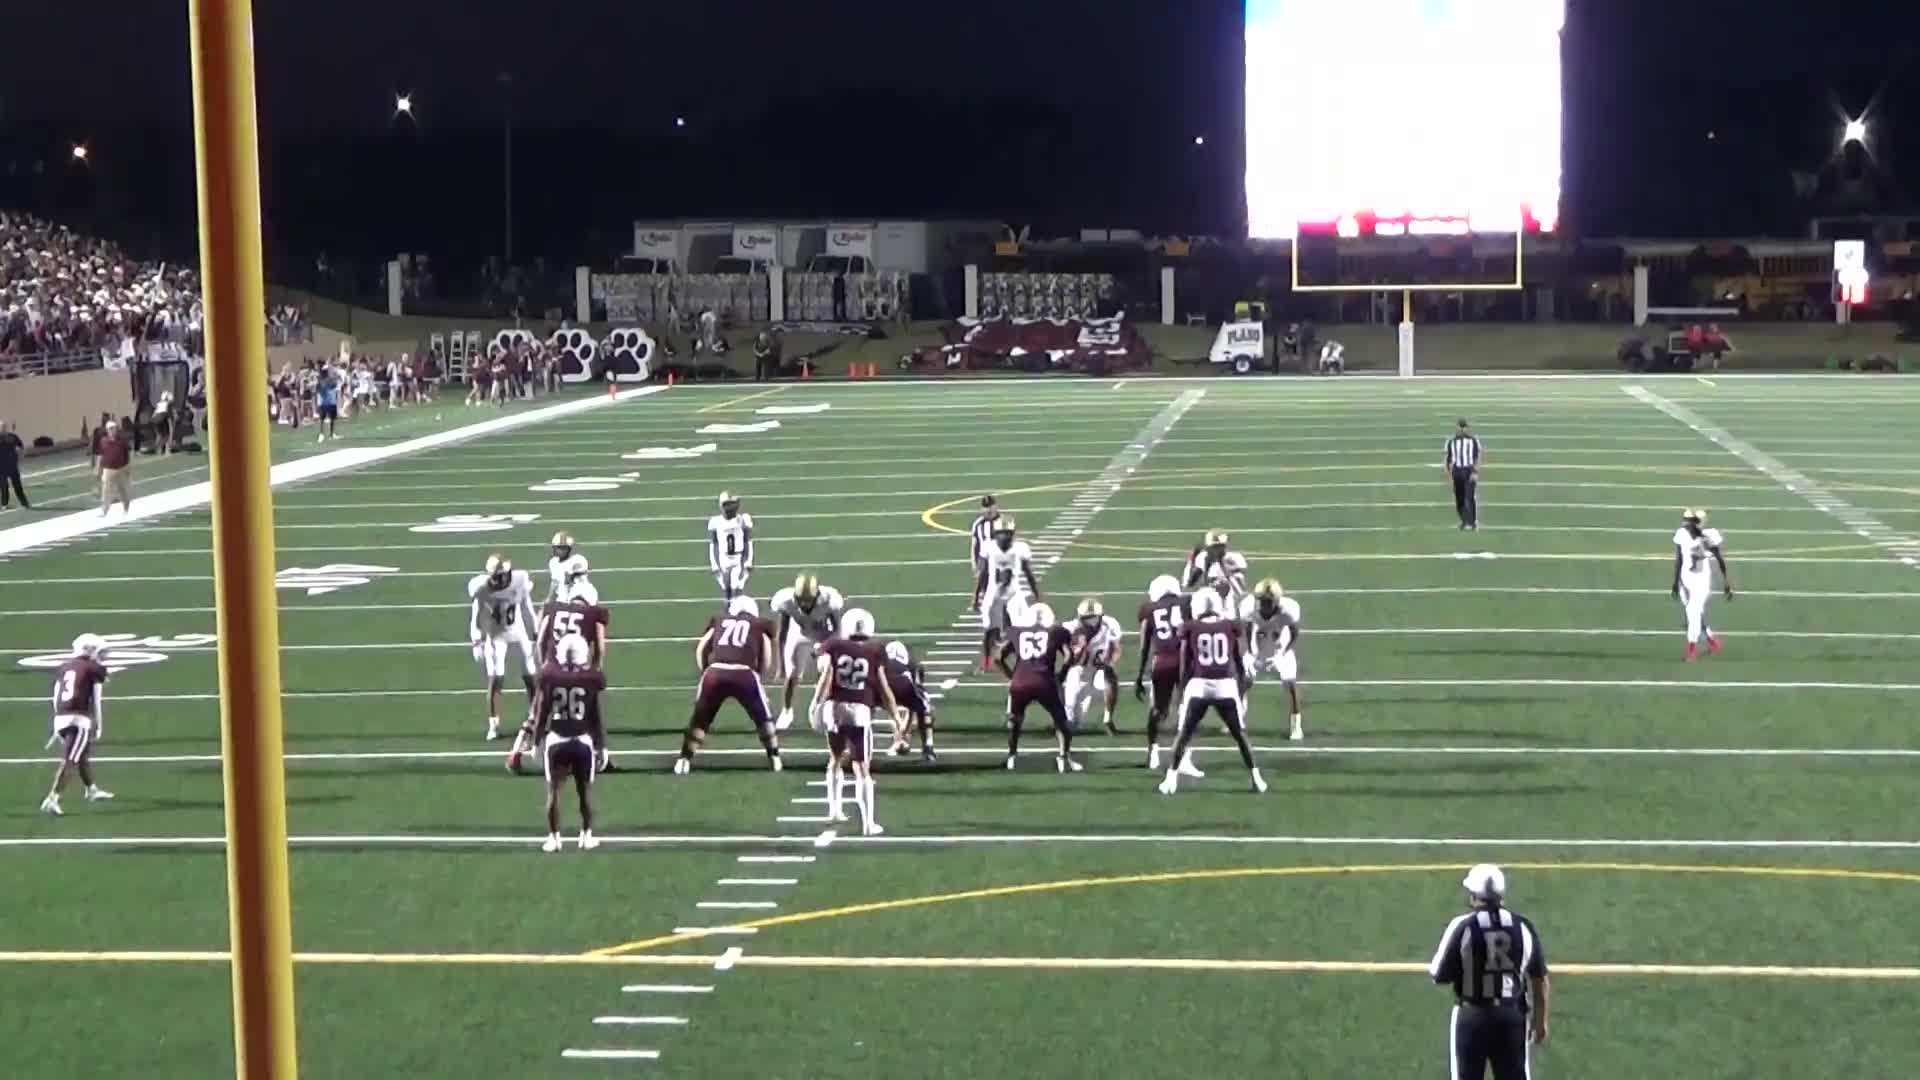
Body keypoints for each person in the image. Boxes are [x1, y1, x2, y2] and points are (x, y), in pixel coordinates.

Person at [1429, 864, 1551, 1079]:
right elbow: (1539, 978)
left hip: (1472, 1015)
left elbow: (1439, 975)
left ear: (1474, 895)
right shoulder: (1522, 926)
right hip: (1511, 1016)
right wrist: (1540, 1020)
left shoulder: (1463, 926)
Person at [1157, 588, 1263, 795]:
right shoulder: (1229, 626)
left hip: (1199, 684)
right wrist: (1241, 682)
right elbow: (1237, 658)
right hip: (1225, 685)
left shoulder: (1190, 627)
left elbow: (1185, 662)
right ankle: (1256, 779)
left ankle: (1170, 780)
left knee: (1184, 733)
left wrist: (1181, 689)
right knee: (1240, 735)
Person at [811, 608, 903, 836]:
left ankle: (834, 810)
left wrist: (816, 704)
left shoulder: (834, 645)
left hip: (833, 707)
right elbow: (883, 687)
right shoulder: (875, 650)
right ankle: (868, 824)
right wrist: (895, 715)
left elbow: (826, 674)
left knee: (835, 758)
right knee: (861, 767)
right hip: (859, 710)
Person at [677, 596, 782, 774]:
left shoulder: (720, 620)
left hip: (715, 672)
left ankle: (684, 760)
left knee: (700, 718)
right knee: (763, 718)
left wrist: (706, 670)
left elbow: (701, 648)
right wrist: (758, 676)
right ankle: (774, 757)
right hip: (744, 673)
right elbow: (766, 657)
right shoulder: (759, 624)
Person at [531, 634, 606, 853]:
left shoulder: (549, 677)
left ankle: (554, 838)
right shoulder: (591, 679)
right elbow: (595, 715)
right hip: (582, 741)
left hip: (557, 741)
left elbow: (542, 712)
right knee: (585, 792)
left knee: (554, 792)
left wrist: (536, 741)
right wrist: (602, 745)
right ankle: (586, 836)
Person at [995, 602, 1081, 774]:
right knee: (1061, 721)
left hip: (1020, 682)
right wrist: (1062, 675)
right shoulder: (1057, 631)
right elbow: (1068, 656)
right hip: (1044, 681)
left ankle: (1012, 756)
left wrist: (1011, 676)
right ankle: (1063, 757)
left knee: (1015, 720)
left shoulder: (1017, 631)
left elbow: (998, 657)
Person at [41, 634, 114, 815]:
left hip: (62, 717)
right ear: (90, 650)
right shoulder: (94, 668)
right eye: (99, 651)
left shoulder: (65, 666)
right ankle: (52, 798)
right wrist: (98, 723)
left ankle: (91, 789)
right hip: (78, 719)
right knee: (70, 760)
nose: (101, 655)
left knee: (81, 755)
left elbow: (56, 694)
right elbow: (96, 699)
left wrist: (56, 722)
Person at [1672, 509, 1733, 662]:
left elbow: (1720, 559)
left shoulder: (1708, 538)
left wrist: (1727, 583)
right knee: (1695, 615)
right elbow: (1679, 559)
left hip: (1701, 584)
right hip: (1685, 582)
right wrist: (1675, 582)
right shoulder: (1682, 534)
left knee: (1692, 615)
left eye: (1691, 521)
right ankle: (1713, 641)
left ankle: (1692, 651)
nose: (1688, 524)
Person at [1445, 418, 1483, 530]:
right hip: (1457, 471)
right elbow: (1449, 459)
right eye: (1460, 427)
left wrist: (1475, 472)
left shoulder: (1473, 441)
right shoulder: (1451, 442)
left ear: (1467, 428)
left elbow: (1477, 457)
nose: (1462, 429)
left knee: (1469, 496)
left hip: (1469, 470)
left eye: (1464, 427)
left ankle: (1472, 521)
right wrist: (1449, 474)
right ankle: (1464, 520)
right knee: (1459, 498)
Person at [965, 495, 999, 612]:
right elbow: (974, 544)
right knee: (985, 585)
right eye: (985, 507)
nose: (988, 510)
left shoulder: (1004, 522)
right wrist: (973, 562)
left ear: (996, 506)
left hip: (1000, 560)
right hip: (984, 560)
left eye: (990, 506)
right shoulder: (978, 524)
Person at [95, 419, 132, 517]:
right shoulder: (103, 441)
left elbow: (127, 454)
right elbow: (100, 455)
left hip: (121, 468)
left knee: (122, 490)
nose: (112, 430)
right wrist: (98, 468)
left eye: (114, 428)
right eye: (110, 429)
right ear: (107, 430)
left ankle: (126, 508)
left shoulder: (122, 440)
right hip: (108, 469)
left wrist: (127, 468)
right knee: (106, 491)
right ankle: (104, 511)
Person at [0, 419, 28, 509]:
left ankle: (24, 502)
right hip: (1, 468)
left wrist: (21, 453)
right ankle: (4, 504)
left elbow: (20, 446)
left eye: (4, 427)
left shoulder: (12, 437)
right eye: (1, 427)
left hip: (12, 466)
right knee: (4, 486)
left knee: (17, 485)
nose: (3, 428)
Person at [314, 364, 341, 442]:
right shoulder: (327, 380)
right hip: (329, 402)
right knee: (328, 419)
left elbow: (318, 390)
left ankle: (325, 434)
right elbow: (333, 385)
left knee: (326, 419)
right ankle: (327, 434)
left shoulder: (321, 380)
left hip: (326, 402)